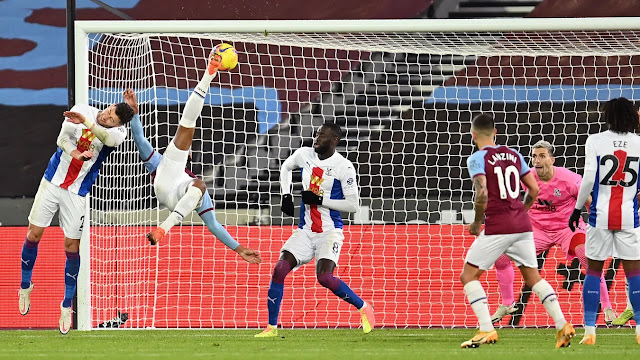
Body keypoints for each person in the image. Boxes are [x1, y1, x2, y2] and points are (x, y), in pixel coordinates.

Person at [18, 92, 134, 335]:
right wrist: (77, 154)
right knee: (34, 235)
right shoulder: (83, 108)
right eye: (109, 110)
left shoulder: (118, 134)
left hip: (77, 193)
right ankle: (25, 286)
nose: (106, 116)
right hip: (52, 181)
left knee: (72, 246)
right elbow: (62, 139)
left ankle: (66, 305)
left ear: (118, 125)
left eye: (111, 118)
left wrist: (87, 122)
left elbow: (105, 138)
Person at [124, 59, 261, 264]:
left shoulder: (197, 189)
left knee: (199, 185)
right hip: (165, 179)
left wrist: (239, 249)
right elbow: (140, 139)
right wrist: (134, 114)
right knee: (187, 125)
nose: (187, 149)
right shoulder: (157, 162)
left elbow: (214, 225)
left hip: (177, 196)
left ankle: (163, 229)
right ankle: (209, 74)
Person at [461, 114, 574, 349]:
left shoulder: (476, 158)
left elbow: (482, 194)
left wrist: (476, 222)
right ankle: (563, 324)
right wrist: (520, 212)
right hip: (522, 225)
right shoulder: (514, 155)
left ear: (473, 135)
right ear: (496, 133)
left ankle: (486, 328)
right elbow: (533, 189)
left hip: (498, 225)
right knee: (533, 277)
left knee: (468, 276)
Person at [254, 122, 374, 337]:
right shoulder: (303, 154)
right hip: (305, 230)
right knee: (279, 269)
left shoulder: (343, 166)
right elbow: (285, 168)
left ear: (334, 141)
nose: (317, 139)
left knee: (325, 278)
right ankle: (271, 327)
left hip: (329, 231)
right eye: (317, 134)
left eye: (322, 136)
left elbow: (353, 205)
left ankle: (364, 307)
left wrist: (321, 199)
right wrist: (286, 194)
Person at [491, 140, 616, 324]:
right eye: (534, 156)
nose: (537, 160)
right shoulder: (526, 177)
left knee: (587, 258)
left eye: (542, 156)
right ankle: (508, 303)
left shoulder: (569, 179)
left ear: (552, 159)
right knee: (501, 256)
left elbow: (590, 203)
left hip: (568, 228)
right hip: (538, 230)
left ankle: (607, 307)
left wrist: (599, 229)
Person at [569, 97, 640, 345]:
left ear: (608, 115)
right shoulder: (639, 143)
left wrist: (578, 208)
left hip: (599, 216)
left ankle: (589, 332)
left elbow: (588, 178)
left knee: (594, 271)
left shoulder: (595, 140)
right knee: (634, 274)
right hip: (629, 217)